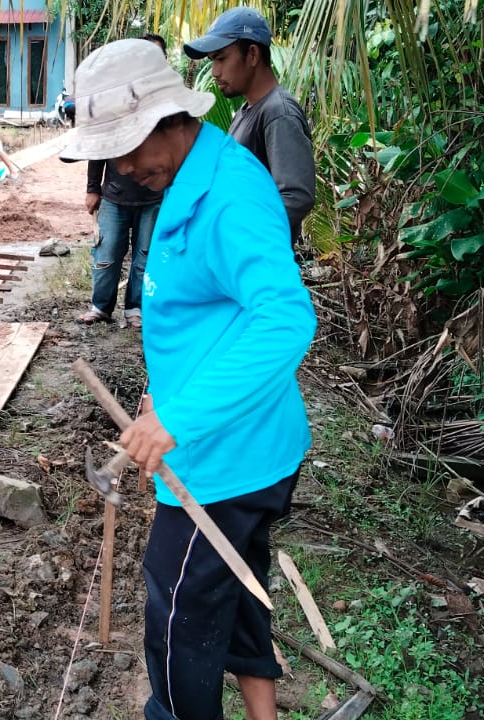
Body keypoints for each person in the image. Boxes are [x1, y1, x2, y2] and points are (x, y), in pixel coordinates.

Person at [60, 39, 316, 720]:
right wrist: (164, 394)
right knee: (232, 585)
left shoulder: (228, 196)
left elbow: (285, 320)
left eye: (126, 147)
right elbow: (213, 319)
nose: (120, 167)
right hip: (236, 446)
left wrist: (178, 418)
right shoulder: (187, 178)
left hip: (225, 461)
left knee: (176, 612)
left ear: (167, 121)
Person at [184, 7, 316, 244]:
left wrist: (241, 236)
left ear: (253, 55)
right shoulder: (248, 110)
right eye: (213, 61)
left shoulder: (278, 112)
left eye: (221, 58)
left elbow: (296, 196)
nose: (215, 72)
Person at [78, 32, 168, 328]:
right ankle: (100, 307)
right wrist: (93, 188)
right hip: (115, 196)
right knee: (106, 255)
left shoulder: (168, 104)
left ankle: (135, 309)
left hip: (154, 198)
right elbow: (99, 144)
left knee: (145, 257)